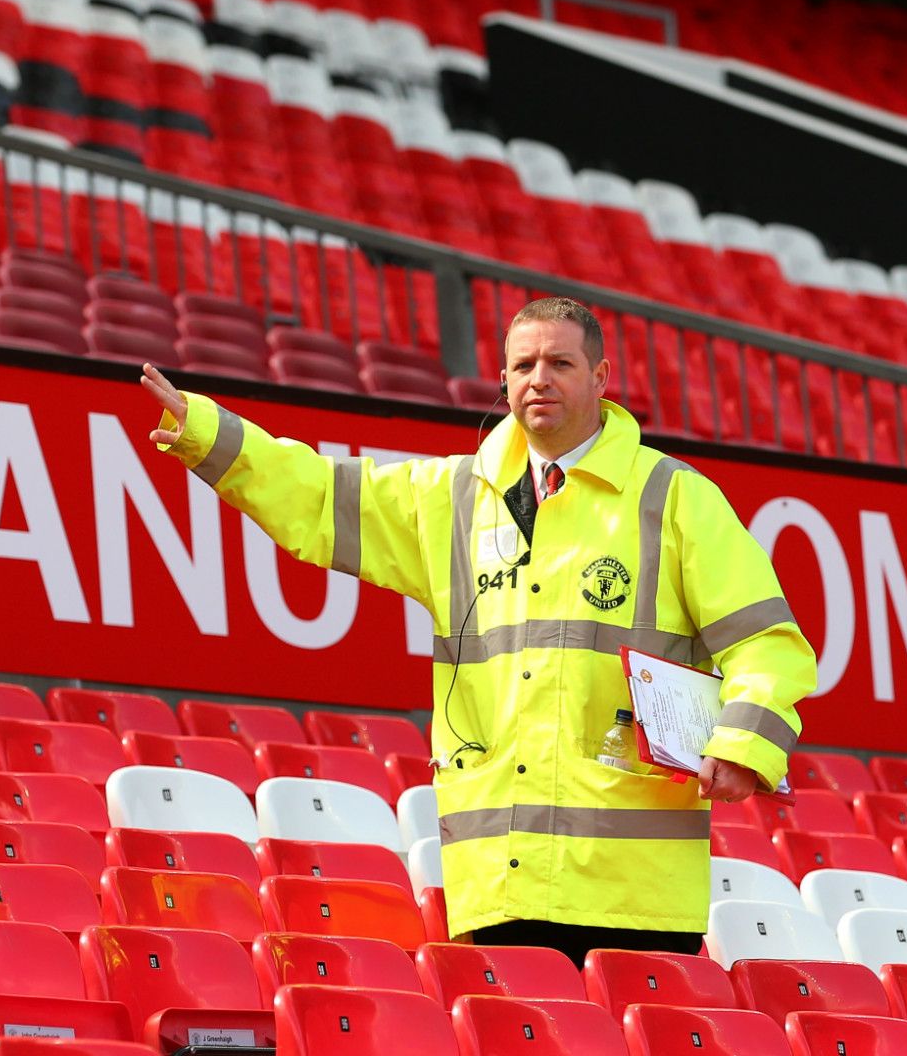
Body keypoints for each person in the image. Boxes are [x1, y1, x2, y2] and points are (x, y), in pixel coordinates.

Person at [141, 296, 815, 965]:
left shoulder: (674, 497)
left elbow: (766, 641)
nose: (538, 379)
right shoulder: (450, 498)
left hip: (636, 894)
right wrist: (209, 434)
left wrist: (744, 743)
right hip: (497, 884)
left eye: (560, 362)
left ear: (602, 378)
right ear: (503, 380)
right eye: (522, 365)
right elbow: (318, 495)